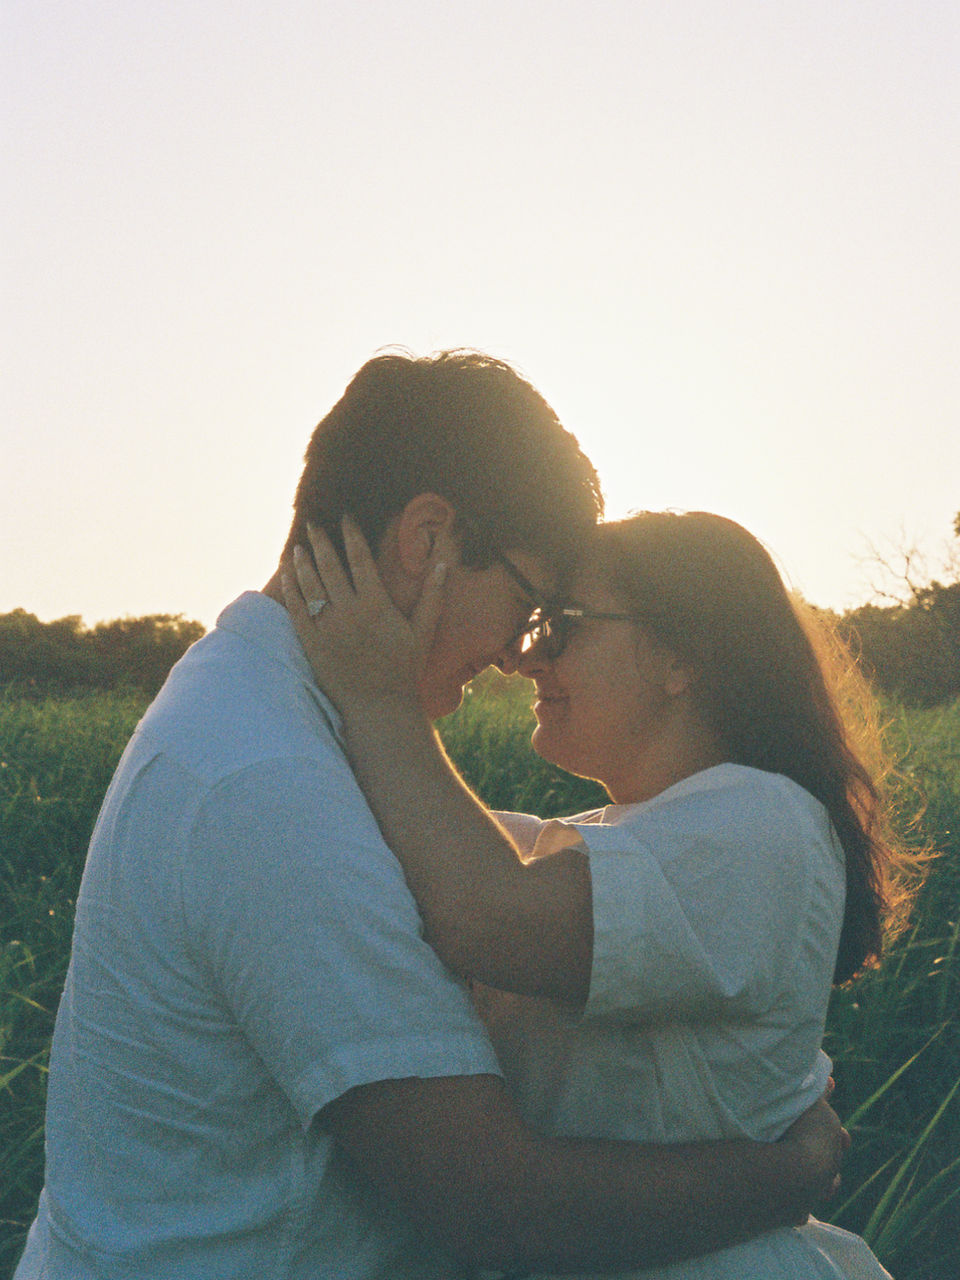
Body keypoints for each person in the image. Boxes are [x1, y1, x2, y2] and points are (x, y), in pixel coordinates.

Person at [15, 352, 845, 1280]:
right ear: (427, 538)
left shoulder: (269, 721)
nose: (517, 655)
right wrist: (791, 1173)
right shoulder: (271, 782)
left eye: (557, 623)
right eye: (529, 604)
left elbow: (495, 877)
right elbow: (494, 1208)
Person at [281, 507, 923, 1279]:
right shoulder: (637, 836)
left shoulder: (764, 821)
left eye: (563, 625)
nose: (526, 659)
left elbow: (485, 912)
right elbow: (443, 848)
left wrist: (380, 697)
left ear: (681, 657)